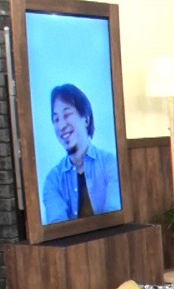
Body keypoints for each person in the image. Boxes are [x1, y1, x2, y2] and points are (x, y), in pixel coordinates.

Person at [41, 84, 122, 223]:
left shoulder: (110, 164)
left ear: (86, 119)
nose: (61, 125)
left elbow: (114, 219)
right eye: (56, 119)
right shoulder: (53, 180)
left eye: (67, 115)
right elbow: (57, 226)